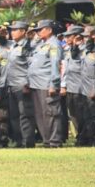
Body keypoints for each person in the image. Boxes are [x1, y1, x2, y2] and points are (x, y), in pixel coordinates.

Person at [28, 20, 63, 148]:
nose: (38, 32)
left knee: (51, 113)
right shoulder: (41, 44)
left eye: (40, 30)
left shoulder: (53, 44)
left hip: (46, 84)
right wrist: (36, 38)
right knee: (40, 114)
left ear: (49, 30)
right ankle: (47, 140)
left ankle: (54, 141)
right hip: (36, 84)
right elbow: (29, 50)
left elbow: (55, 65)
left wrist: (54, 84)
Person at [6, 21, 36, 148]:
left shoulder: (28, 46)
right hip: (11, 84)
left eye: (15, 30)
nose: (12, 32)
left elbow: (31, 65)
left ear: (23, 31)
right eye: (11, 30)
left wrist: (28, 83)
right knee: (14, 115)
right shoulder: (13, 45)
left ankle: (27, 141)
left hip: (22, 84)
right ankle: (18, 140)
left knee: (25, 114)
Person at [60, 25, 88, 146]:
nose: (66, 38)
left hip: (81, 86)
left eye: (69, 36)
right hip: (70, 85)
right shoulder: (67, 49)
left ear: (77, 36)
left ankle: (84, 137)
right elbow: (65, 69)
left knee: (82, 113)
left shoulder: (85, 50)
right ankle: (79, 135)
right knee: (73, 114)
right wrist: (63, 85)